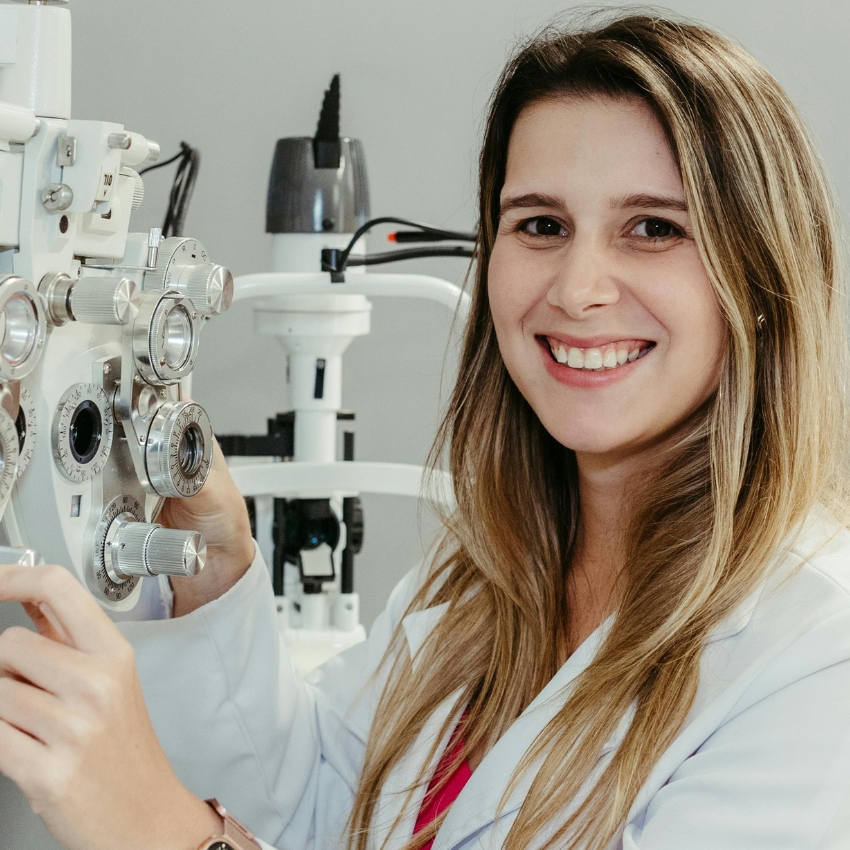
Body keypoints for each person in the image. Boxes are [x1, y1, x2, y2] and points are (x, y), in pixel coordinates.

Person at [1, 11, 850, 850]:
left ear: (763, 276)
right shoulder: (479, 585)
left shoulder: (814, 659)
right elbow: (319, 812)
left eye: (654, 228)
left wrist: (166, 835)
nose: (579, 288)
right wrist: (216, 580)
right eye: (541, 225)